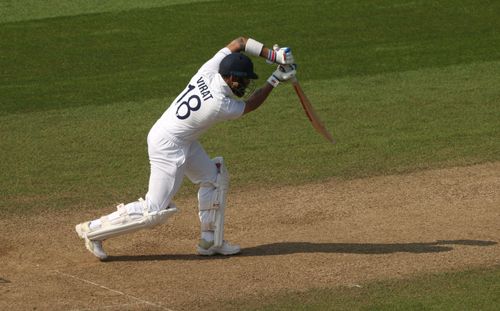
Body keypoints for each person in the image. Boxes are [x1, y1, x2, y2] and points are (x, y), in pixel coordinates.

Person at [75, 37, 297, 260]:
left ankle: (210, 242)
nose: (246, 85)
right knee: (154, 211)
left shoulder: (208, 70)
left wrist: (273, 56)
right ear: (230, 78)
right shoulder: (219, 103)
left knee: (214, 178)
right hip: (168, 146)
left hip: (178, 138)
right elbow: (251, 105)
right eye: (244, 81)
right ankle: (93, 231)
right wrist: (276, 78)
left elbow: (240, 42)